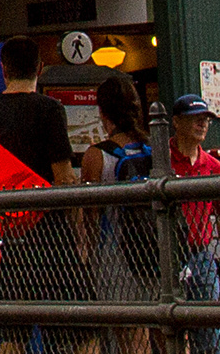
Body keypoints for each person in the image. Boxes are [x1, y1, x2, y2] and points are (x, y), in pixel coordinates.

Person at [0, 36, 83, 354]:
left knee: (12, 331)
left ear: (3, 69)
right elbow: (63, 176)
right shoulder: (50, 109)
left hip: (7, 235)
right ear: (40, 68)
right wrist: (79, 231)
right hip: (51, 233)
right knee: (73, 330)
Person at [86, 76, 157, 354]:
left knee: (131, 335)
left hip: (116, 255)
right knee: (168, 330)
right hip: (156, 252)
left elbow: (90, 215)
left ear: (103, 112)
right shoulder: (153, 149)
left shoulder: (98, 156)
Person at [160, 96, 220, 354]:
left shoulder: (213, 167)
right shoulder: (160, 162)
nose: (202, 124)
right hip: (164, 257)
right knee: (166, 331)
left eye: (205, 120)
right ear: (177, 122)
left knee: (209, 334)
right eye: (195, 118)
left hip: (200, 255)